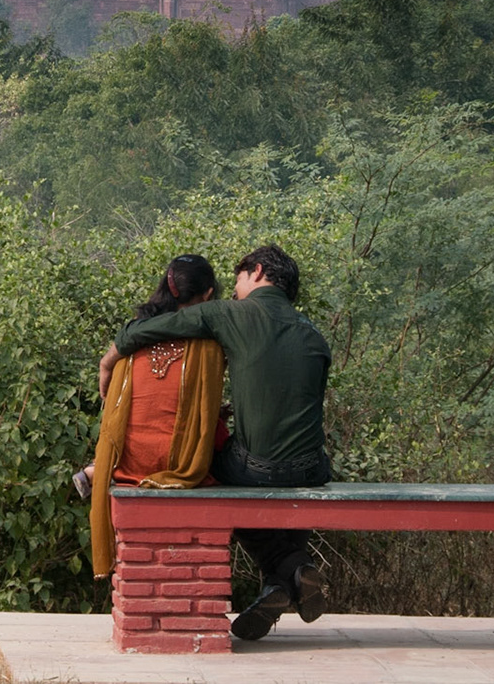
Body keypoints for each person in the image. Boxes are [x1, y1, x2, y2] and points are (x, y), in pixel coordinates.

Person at [100, 244, 332, 641]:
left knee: (210, 472)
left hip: (256, 469)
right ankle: (279, 583)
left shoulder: (229, 313)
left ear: (256, 272)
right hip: (315, 469)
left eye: (239, 277)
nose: (235, 287)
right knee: (292, 475)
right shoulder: (315, 335)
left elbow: (142, 330)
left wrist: (108, 363)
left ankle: (290, 567)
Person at [84, 254, 228, 580]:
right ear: (207, 296)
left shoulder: (131, 340)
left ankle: (97, 469)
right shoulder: (209, 345)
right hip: (180, 466)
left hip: (128, 464)